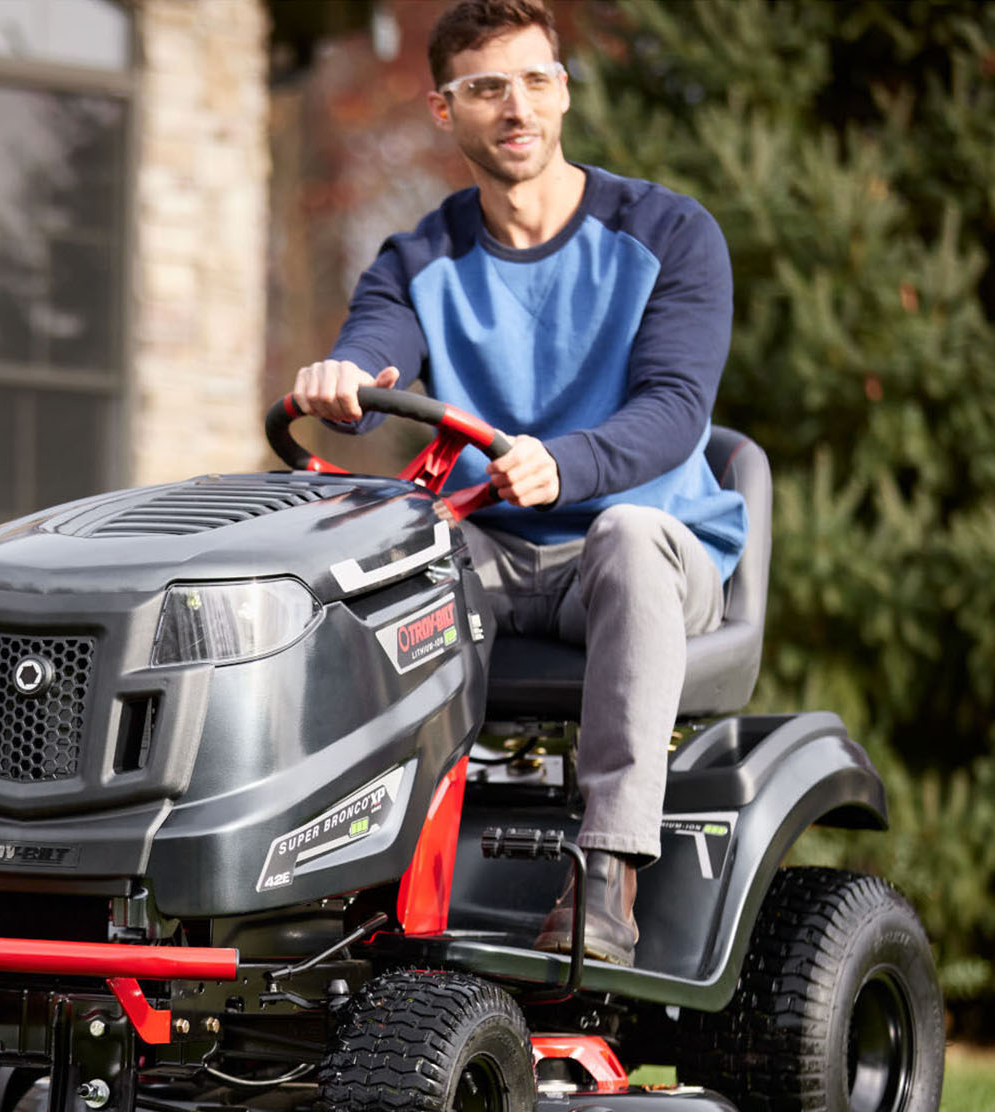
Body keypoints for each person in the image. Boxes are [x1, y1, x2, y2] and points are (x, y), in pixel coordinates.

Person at [291, 0, 746, 968]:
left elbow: (672, 412)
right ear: (443, 110)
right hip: (495, 551)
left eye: (537, 80)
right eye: (487, 87)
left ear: (565, 94)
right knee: (365, 566)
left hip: (646, 551)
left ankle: (610, 872)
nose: (516, 106)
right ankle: (362, 865)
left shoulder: (669, 234)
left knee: (623, 534)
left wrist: (566, 462)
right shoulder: (418, 258)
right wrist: (344, 383)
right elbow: (376, 355)